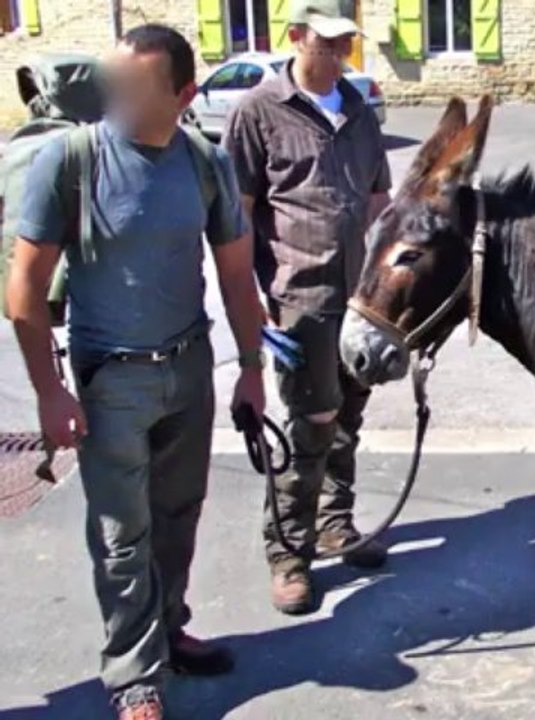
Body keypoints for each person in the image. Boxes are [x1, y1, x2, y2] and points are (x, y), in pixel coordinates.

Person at [6, 25, 266, 720]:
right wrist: (48, 391)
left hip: (188, 369)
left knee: (178, 516)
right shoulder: (73, 160)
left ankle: (169, 628)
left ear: (182, 96)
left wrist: (251, 370)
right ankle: (133, 677)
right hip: (109, 379)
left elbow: (239, 280)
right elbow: (24, 287)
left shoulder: (207, 163)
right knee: (124, 536)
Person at [223, 0, 392, 615]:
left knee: (349, 412)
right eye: (328, 41)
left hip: (360, 300)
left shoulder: (358, 110)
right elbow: (235, 219)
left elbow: (379, 200)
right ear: (295, 37)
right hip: (301, 299)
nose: (340, 52)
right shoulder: (255, 112)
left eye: (346, 41)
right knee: (308, 423)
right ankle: (289, 552)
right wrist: (248, 302)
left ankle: (333, 522)